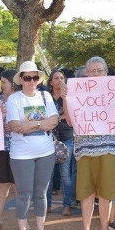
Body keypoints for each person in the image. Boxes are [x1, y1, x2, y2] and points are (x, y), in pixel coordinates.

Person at [62, 56, 115, 230]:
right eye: (93, 71)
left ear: (106, 73)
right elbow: (71, 121)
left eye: (100, 70)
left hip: (109, 148)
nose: (96, 74)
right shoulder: (78, 92)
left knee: (106, 192)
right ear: (86, 73)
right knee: (86, 191)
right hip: (85, 149)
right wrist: (66, 98)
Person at [6, 61, 58, 230]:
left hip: (46, 152)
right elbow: (14, 126)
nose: (31, 81)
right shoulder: (14, 99)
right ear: (20, 79)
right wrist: (41, 123)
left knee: (41, 193)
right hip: (21, 154)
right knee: (24, 193)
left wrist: (31, 125)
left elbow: (54, 121)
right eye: (27, 77)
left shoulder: (46, 96)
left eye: (34, 77)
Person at [0, 70, 18, 230]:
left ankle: (23, 222)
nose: (2, 85)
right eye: (1, 82)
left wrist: (12, 125)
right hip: (0, 149)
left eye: (4, 82)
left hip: (18, 149)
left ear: (13, 83)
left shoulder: (22, 100)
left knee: (17, 187)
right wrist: (0, 121)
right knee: (1, 185)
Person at [45, 69, 76, 216]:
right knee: (48, 175)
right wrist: (60, 116)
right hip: (49, 139)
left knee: (65, 174)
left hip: (67, 137)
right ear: (51, 82)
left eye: (62, 78)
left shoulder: (70, 97)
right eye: (56, 78)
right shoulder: (45, 98)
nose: (59, 80)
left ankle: (66, 205)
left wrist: (65, 99)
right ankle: (47, 205)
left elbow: (72, 116)